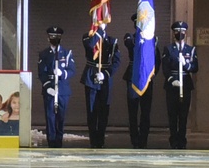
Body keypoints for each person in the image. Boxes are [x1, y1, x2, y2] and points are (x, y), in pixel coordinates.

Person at [82, 19, 122, 148]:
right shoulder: (87, 38)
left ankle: (101, 139)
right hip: (91, 76)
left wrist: (105, 74)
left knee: (104, 110)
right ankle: (93, 140)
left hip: (105, 77)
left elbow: (116, 61)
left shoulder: (112, 41)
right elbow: (90, 46)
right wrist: (99, 31)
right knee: (92, 110)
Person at [123, 13, 160, 148]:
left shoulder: (152, 40)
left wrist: (152, 74)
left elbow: (157, 59)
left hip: (146, 78)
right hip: (133, 76)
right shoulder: (130, 38)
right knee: (132, 112)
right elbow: (131, 46)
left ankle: (143, 140)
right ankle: (134, 140)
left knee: (145, 111)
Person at [161, 21, 199, 149]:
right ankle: (173, 140)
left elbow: (195, 68)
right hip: (173, 85)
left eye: (182, 31)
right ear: (173, 33)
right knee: (172, 114)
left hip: (186, 84)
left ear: (185, 33)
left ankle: (182, 140)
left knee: (183, 115)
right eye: (177, 31)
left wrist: (186, 64)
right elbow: (165, 68)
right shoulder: (169, 49)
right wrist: (172, 80)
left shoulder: (191, 50)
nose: (180, 33)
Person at [37, 26, 75, 148]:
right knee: (50, 117)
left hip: (63, 89)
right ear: (48, 38)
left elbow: (72, 70)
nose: (54, 39)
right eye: (52, 37)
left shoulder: (67, 53)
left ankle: (59, 141)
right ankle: (51, 142)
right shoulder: (44, 54)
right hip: (50, 88)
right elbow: (42, 73)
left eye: (56, 37)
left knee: (61, 117)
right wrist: (48, 86)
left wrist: (62, 73)